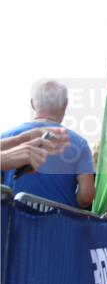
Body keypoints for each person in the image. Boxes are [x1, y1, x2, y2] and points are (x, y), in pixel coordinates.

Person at [1, 81, 95, 210]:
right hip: (59, 225)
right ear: (65, 104)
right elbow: (86, 196)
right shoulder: (80, 144)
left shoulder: (5, 138)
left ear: (32, 104)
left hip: (11, 224)